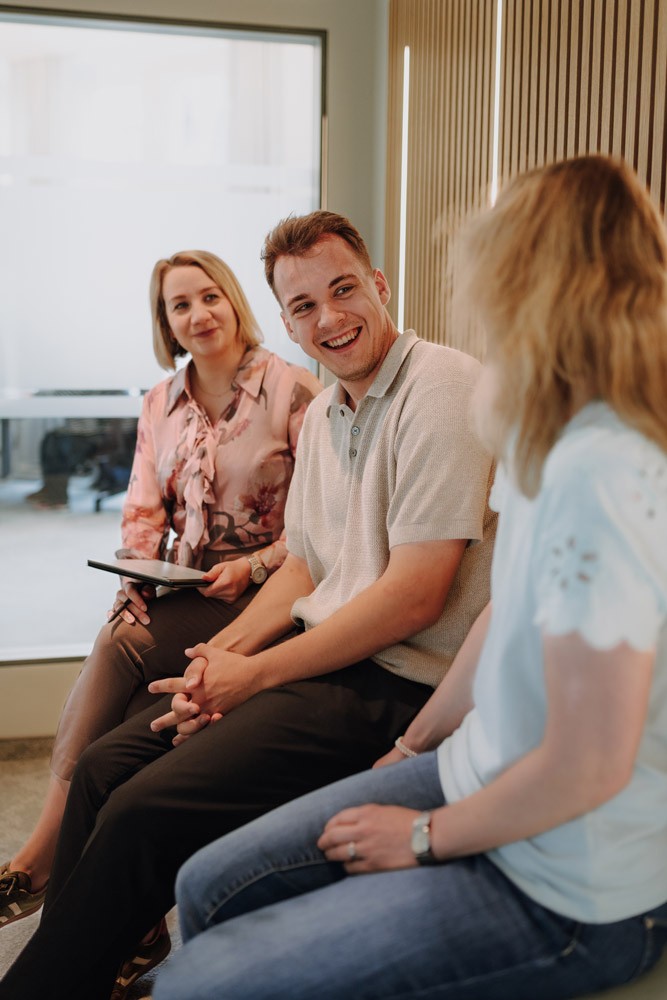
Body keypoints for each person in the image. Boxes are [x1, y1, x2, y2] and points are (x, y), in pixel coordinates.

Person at [151, 155, 667, 1000]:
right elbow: (502, 614)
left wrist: (425, 835)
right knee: (205, 887)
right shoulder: (544, 431)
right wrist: (412, 747)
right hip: (477, 769)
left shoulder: (606, 472)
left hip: (570, 884)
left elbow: (589, 763)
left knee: (195, 984)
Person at [0, 211, 495, 1000]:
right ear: (288, 321)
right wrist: (221, 659)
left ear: (378, 284)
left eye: (342, 290)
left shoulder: (439, 386)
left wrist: (253, 678)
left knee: (141, 810)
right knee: (104, 767)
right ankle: (87, 966)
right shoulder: (332, 413)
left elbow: (414, 596)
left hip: (396, 684)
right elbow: (304, 565)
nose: (328, 318)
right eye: (304, 306)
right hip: (325, 654)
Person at [0, 250, 321, 933]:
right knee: (126, 634)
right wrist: (136, 578)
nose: (199, 314)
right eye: (181, 306)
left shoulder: (294, 391)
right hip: (184, 588)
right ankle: (118, 906)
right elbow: (142, 512)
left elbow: (321, 524)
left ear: (233, 301)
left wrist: (257, 565)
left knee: (123, 649)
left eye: (209, 297)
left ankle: (44, 856)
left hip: (267, 593)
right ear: (166, 324)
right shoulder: (160, 402)